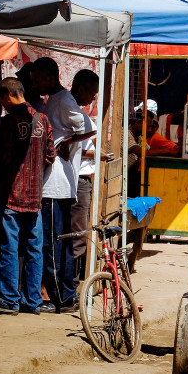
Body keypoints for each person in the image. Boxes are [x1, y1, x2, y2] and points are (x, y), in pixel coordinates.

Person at [33, 57, 93, 314]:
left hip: (56, 185)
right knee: (60, 243)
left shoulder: (63, 100)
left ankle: (61, 298)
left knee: (54, 245)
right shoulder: (56, 100)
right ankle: (64, 295)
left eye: (37, 79)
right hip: (57, 183)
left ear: (49, 77)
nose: (35, 83)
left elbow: (88, 128)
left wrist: (64, 145)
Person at [0, 79, 55, 315]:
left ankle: (9, 300)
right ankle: (33, 302)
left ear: (8, 96)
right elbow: (51, 155)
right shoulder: (43, 120)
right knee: (33, 249)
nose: (2, 105)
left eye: (2, 100)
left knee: (8, 248)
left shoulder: (8, 123)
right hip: (34, 198)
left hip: (10, 195)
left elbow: (2, 158)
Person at [69, 70, 101, 280]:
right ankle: (69, 283)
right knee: (78, 234)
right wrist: (97, 154)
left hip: (81, 180)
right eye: (92, 94)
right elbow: (66, 146)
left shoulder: (77, 113)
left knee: (79, 232)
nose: (92, 99)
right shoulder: (71, 112)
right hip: (77, 180)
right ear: (81, 89)